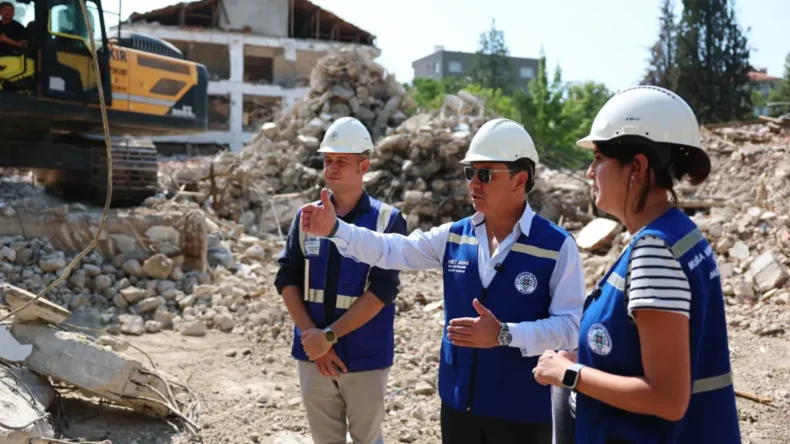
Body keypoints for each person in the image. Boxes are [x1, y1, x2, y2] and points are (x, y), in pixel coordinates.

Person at [299, 118, 586, 444]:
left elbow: (572, 327)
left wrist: (506, 334)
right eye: (470, 173)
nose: (474, 184)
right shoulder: (455, 236)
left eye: (485, 174)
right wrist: (337, 230)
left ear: (520, 179)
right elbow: (394, 249)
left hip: (521, 409)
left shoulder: (556, 247)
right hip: (457, 402)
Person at [533, 85, 742, 444]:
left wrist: (569, 374)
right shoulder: (678, 233)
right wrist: (591, 357)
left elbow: (666, 398)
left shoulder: (655, 251)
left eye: (598, 157)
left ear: (638, 168)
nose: (589, 172)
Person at [274, 117, 407, 444]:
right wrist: (314, 340)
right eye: (328, 161)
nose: (331, 168)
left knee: (367, 439)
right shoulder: (306, 216)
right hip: (313, 354)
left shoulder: (387, 220)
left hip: (364, 355)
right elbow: (286, 277)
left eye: (341, 161)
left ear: (364, 166)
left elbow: (382, 290)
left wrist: (329, 337)